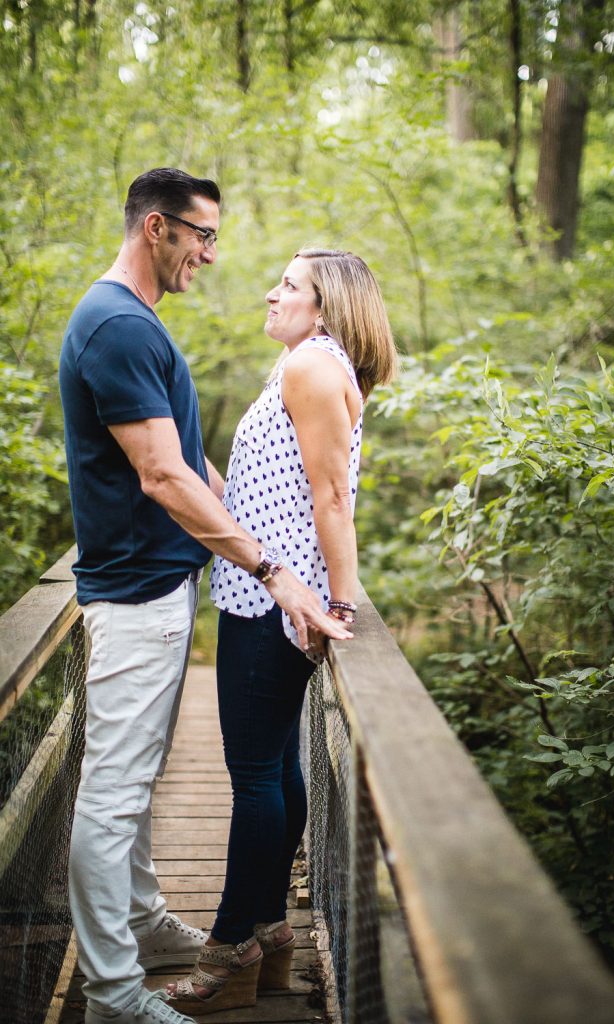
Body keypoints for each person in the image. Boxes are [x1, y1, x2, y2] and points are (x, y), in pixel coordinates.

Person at [59, 171, 350, 1024]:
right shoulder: (116, 325)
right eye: (202, 236)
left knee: (137, 782)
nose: (212, 255)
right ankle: (114, 992)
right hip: (134, 593)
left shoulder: (136, 325)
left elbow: (192, 467)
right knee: (113, 793)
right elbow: (160, 477)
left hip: (163, 587)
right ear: (158, 228)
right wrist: (270, 571)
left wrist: (260, 548)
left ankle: (143, 925)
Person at [166, 248, 397, 1015]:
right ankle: (269, 930)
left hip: (278, 604)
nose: (273, 292)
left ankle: (230, 941)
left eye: (289, 285)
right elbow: (278, 493)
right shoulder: (304, 365)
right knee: (275, 769)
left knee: (255, 776)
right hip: (265, 594)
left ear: (325, 305)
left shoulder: (310, 369)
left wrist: (339, 603)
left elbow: (334, 499)